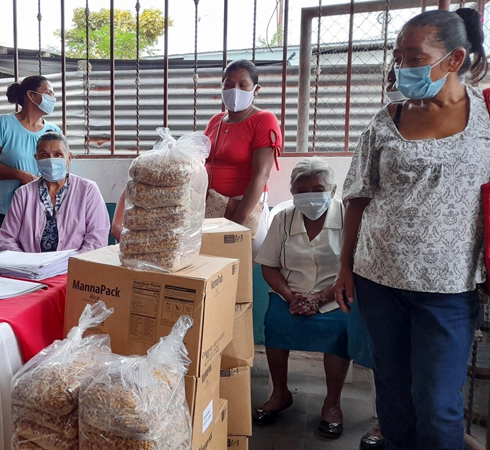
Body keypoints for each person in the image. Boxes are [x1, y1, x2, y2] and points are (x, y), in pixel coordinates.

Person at [334, 9, 490, 450]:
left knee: (438, 403)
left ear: (454, 59)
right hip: (378, 280)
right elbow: (358, 197)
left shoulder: (486, 119)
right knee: (394, 395)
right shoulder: (387, 121)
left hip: (448, 289)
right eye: (399, 56)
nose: (403, 67)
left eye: (414, 57)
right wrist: (345, 267)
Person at [253, 158, 350, 439]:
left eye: (317, 188)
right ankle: (280, 394)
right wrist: (290, 295)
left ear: (331, 190)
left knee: (339, 330)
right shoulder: (283, 217)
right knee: (275, 323)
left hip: (336, 295)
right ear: (293, 193)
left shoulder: (346, 216)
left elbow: (354, 267)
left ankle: (332, 404)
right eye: (302, 189)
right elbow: (269, 265)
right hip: (290, 295)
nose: (310, 195)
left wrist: (320, 298)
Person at [204, 59, 282, 256]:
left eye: (242, 85)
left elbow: (261, 176)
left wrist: (234, 226)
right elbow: (203, 161)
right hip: (212, 208)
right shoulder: (216, 121)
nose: (234, 90)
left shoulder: (264, 120)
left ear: (255, 89)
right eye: (228, 85)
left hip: (242, 210)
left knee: (238, 271)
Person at [0, 131, 109, 253]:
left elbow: (97, 238)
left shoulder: (88, 190)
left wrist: (73, 265)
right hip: (30, 269)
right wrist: (26, 265)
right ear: (36, 159)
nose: (51, 161)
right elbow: (7, 238)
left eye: (58, 155)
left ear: (69, 158)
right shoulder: (23, 194)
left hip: (75, 267)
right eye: (44, 155)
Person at [0, 76, 62, 241]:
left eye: (53, 95)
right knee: (7, 260)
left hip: (42, 210)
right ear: (31, 95)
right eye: (48, 93)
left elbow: (62, 169)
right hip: (6, 209)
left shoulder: (54, 132)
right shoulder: (4, 124)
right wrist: (20, 174)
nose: (52, 99)